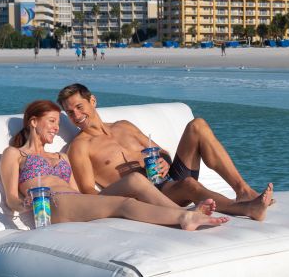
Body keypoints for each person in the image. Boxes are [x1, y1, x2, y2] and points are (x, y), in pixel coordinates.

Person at [0, 100, 228, 231]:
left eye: (58, 123)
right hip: (51, 204)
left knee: (136, 180)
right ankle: (183, 217)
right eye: (52, 122)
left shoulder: (62, 158)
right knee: (124, 204)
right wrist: (24, 203)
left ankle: (183, 213)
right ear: (33, 122)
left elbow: (79, 193)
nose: (56, 128)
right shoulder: (14, 154)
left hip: (76, 201)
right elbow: (11, 200)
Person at [57, 83, 274, 221]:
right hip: (148, 195)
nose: (76, 115)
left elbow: (161, 151)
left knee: (197, 125)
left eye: (79, 106)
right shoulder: (80, 146)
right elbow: (89, 192)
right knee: (189, 185)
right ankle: (245, 209)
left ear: (92, 101)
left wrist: (163, 160)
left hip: (167, 178)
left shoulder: (124, 125)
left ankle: (243, 190)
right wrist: (125, 203)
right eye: (69, 112)